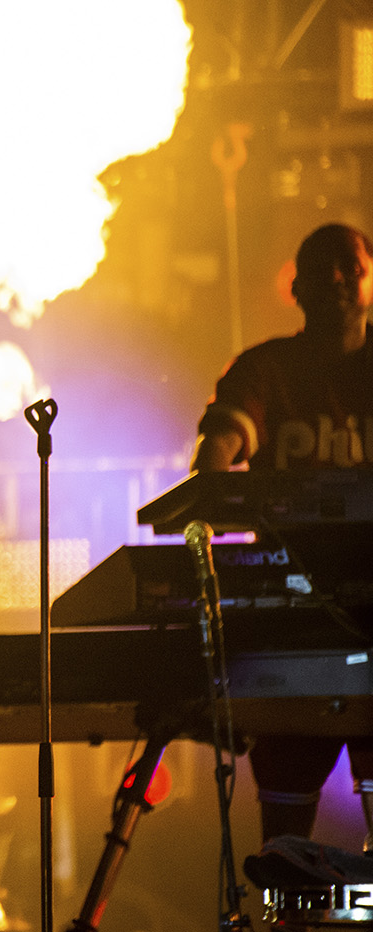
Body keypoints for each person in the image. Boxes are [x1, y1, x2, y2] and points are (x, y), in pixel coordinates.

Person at [191, 221, 373, 849]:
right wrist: (210, 484)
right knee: (285, 849)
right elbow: (221, 445)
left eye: (349, 264)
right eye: (321, 268)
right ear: (296, 288)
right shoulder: (266, 369)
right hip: (289, 620)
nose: (336, 279)